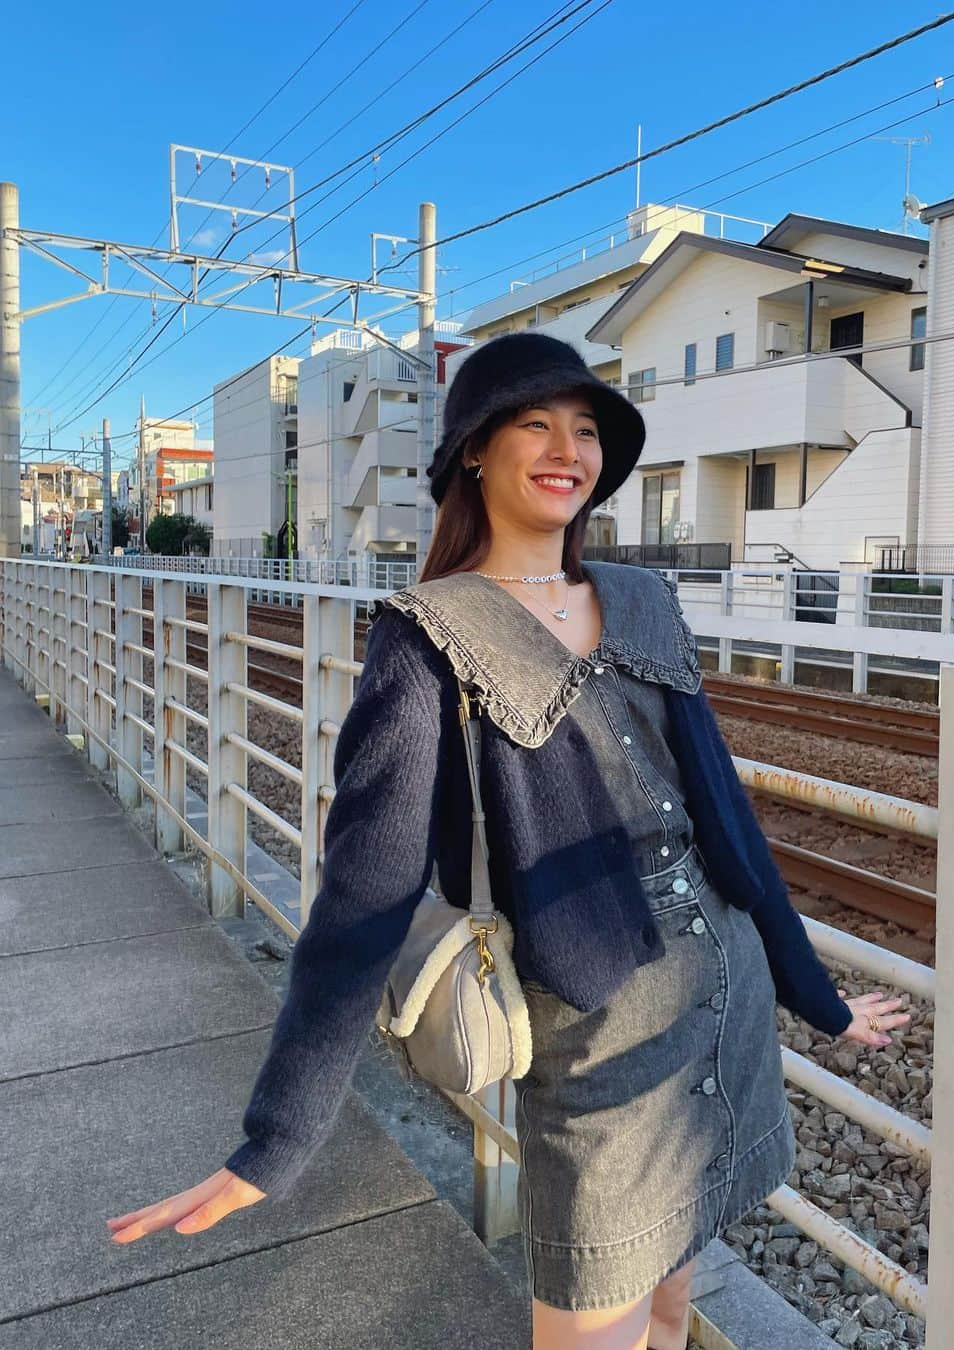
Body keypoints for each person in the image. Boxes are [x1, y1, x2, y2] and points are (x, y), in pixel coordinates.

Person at [105, 333, 909, 1350]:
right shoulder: (428, 634)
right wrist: (277, 1141)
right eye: (535, 423)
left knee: (672, 1303)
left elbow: (726, 819)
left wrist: (818, 999)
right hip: (596, 1045)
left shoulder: (647, 602)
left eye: (585, 430)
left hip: (723, 997)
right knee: (594, 1322)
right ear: (475, 452)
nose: (566, 447)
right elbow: (366, 894)